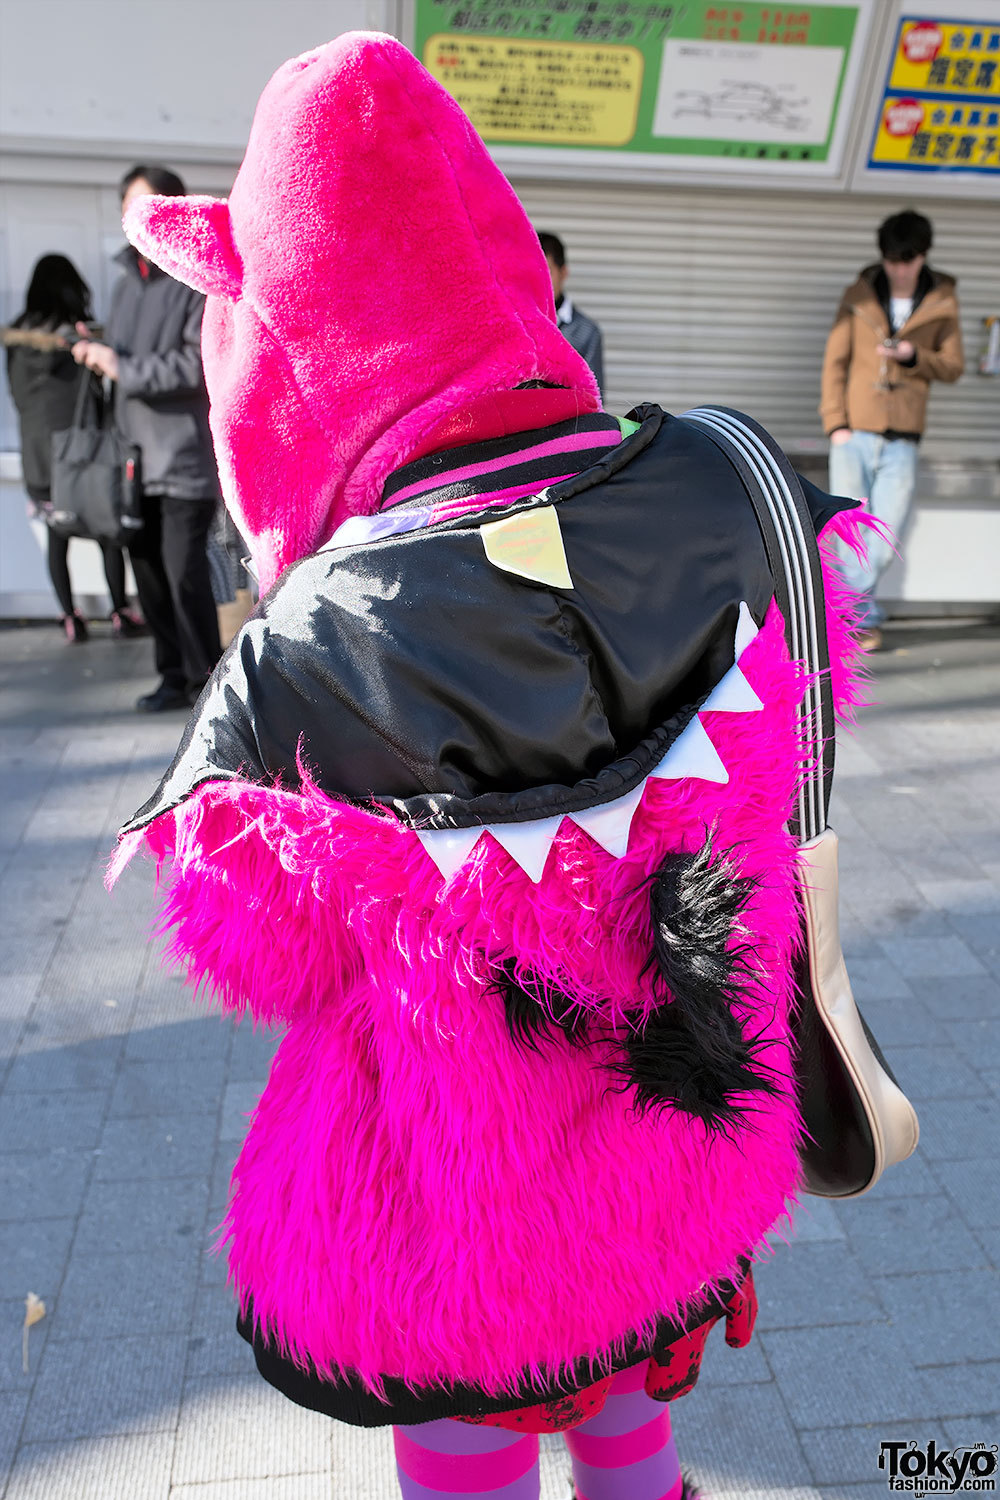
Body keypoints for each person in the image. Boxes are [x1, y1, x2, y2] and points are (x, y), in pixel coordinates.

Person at [110, 35, 865, 1500]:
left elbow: (258, 948)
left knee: (469, 1450)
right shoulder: (721, 474)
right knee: (636, 1425)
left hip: (467, 1216)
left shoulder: (317, 632)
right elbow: (800, 737)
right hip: (680, 1145)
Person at [73, 166, 221, 710]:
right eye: (130, 208)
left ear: (174, 209)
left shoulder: (193, 281)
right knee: (150, 575)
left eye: (149, 205)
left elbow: (195, 365)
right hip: (133, 459)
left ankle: (208, 684)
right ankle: (171, 676)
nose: (138, 218)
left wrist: (121, 364)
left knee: (185, 576)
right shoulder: (121, 283)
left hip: (182, 457)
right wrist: (103, 349)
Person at [820, 209, 964, 649]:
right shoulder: (858, 295)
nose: (899, 269)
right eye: (892, 260)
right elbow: (835, 361)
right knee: (849, 530)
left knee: (883, 538)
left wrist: (914, 355)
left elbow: (953, 366)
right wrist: (835, 424)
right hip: (853, 433)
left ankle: (845, 613)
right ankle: (859, 621)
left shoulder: (942, 301)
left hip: (903, 437)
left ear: (923, 257)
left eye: (908, 260)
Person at [5, 255, 142, 642]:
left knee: (57, 534)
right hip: (83, 452)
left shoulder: (17, 336)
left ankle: (70, 616)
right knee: (105, 528)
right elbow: (97, 389)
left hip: (39, 455)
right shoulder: (75, 336)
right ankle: (119, 610)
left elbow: (16, 394)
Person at [538, 231, 605, 397]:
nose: (540, 281)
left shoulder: (587, 332)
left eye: (547, 272)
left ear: (564, 272)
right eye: (534, 272)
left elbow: (595, 398)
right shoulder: (516, 325)